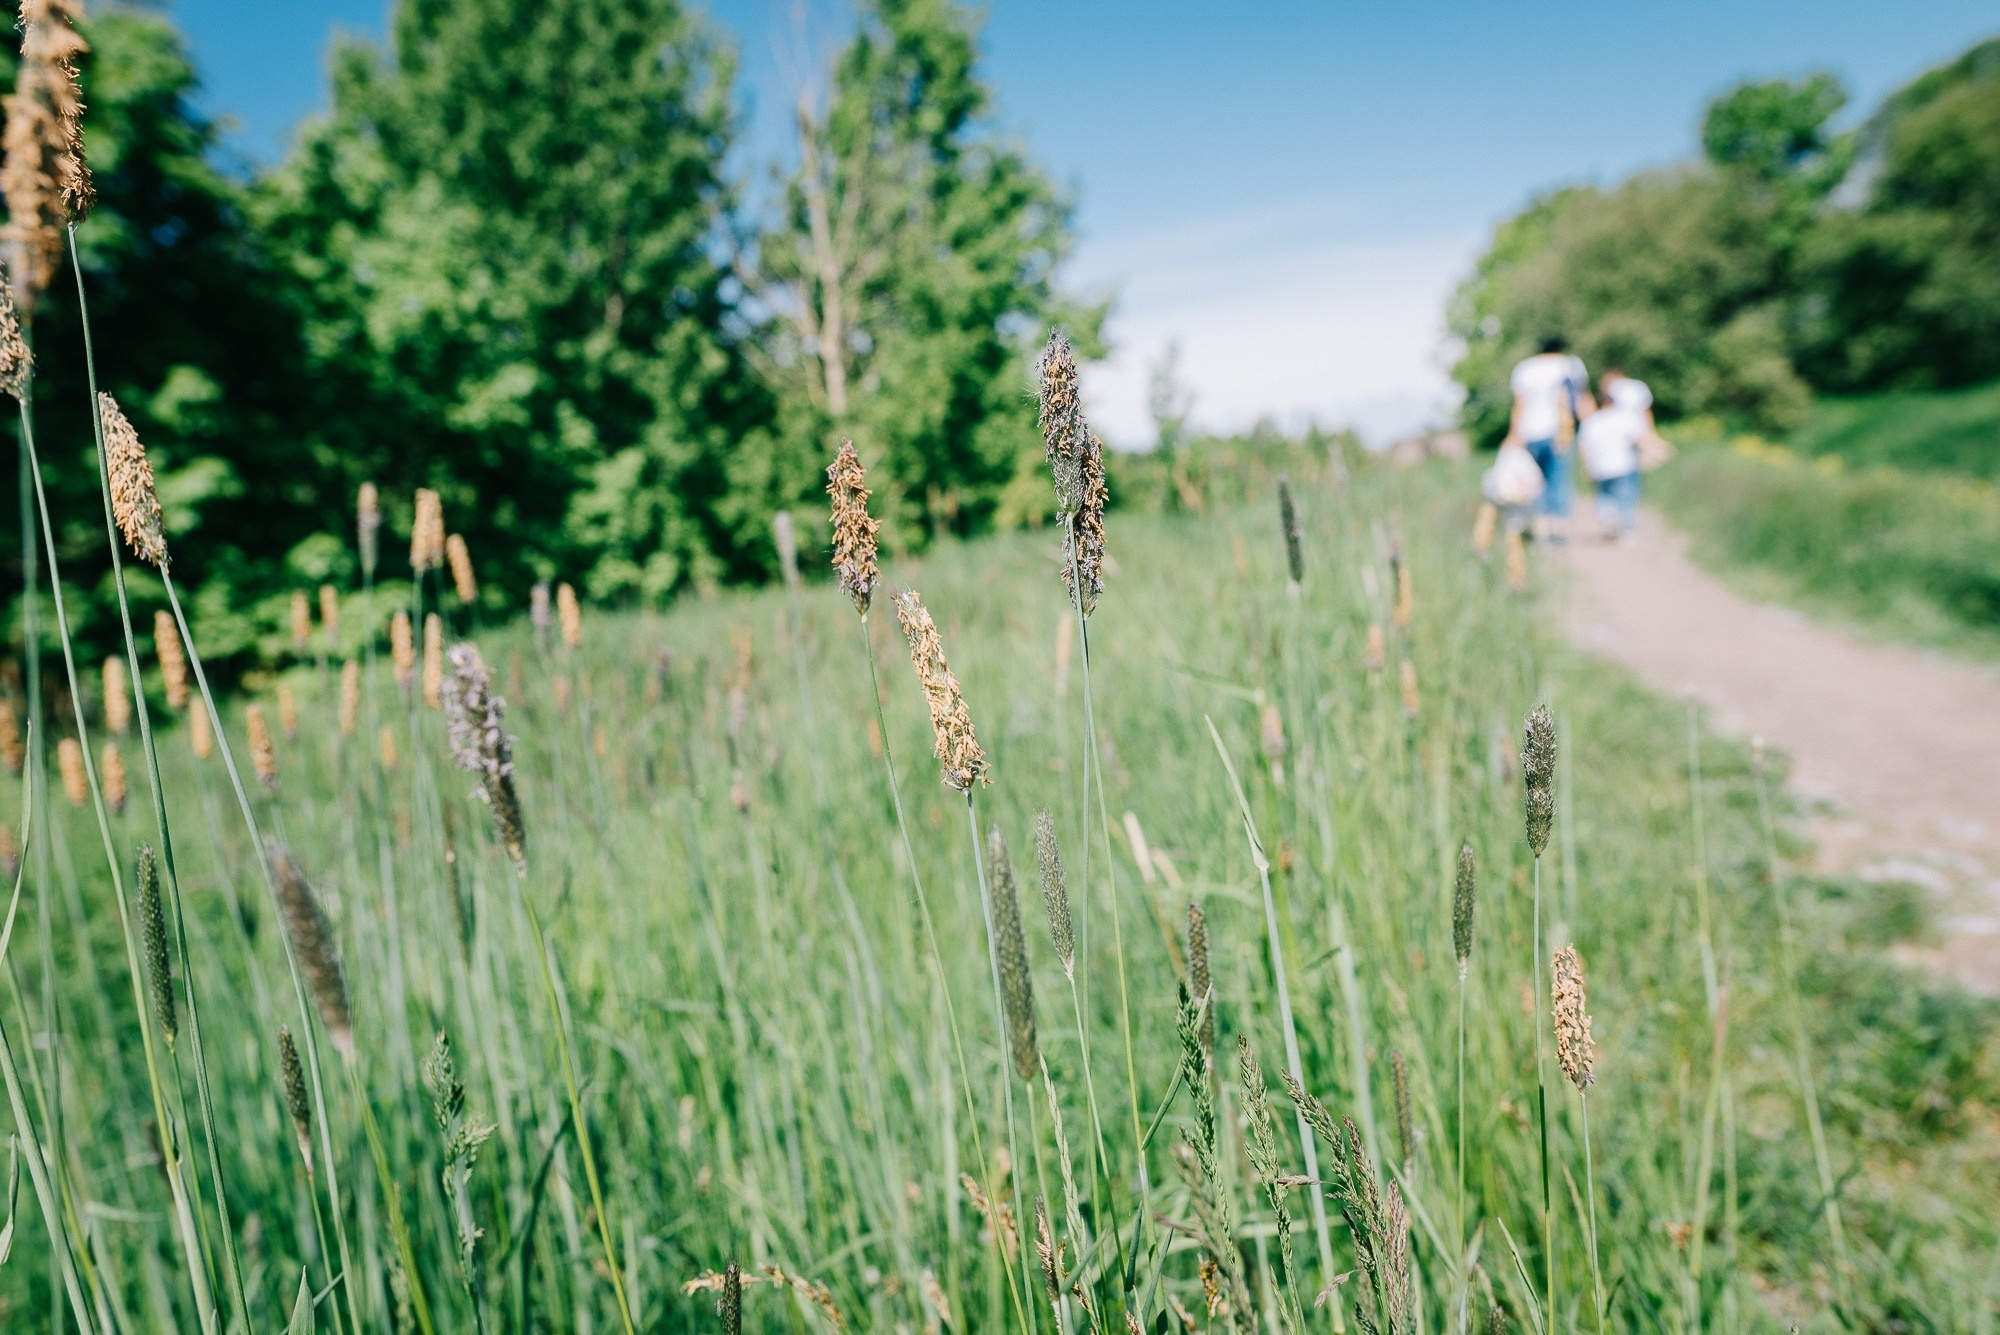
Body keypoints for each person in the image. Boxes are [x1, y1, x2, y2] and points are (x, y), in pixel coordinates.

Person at [1504, 336, 1594, 538]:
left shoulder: (1525, 368)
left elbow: (1520, 405)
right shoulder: (1571, 365)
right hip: (1561, 432)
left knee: (1535, 482)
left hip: (1530, 433)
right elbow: (1582, 399)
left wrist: (1513, 435)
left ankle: (1541, 527)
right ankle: (1559, 529)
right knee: (1560, 480)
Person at [1577, 368, 1648, 540]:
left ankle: (1607, 520)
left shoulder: (1591, 422)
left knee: (1604, 495)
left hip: (1600, 466)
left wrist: (1586, 466)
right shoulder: (1624, 418)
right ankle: (1626, 529)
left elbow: (1584, 447)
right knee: (1626, 496)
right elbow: (1638, 439)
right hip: (1623, 465)